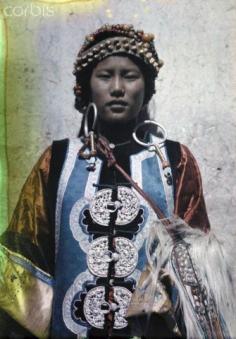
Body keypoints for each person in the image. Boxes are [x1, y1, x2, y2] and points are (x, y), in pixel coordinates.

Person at [0, 24, 234, 339]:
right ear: (87, 87)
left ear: (147, 88)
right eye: (105, 75)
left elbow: (199, 272)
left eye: (130, 76)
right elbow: (24, 266)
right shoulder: (56, 161)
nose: (118, 87)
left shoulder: (175, 161)